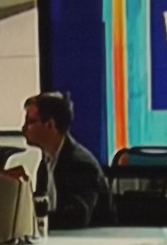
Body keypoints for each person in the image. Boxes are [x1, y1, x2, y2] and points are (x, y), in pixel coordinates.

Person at [22, 92, 114, 229]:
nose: (23, 128)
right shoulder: (46, 162)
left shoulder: (81, 165)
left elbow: (75, 218)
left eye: (30, 121)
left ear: (49, 124)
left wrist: (30, 221)